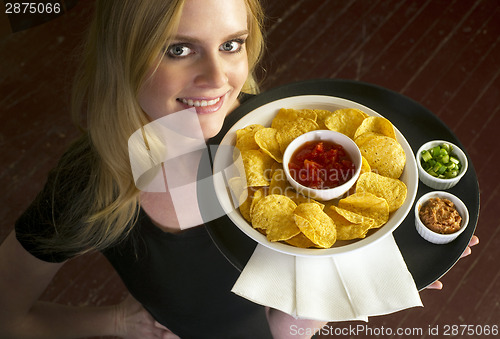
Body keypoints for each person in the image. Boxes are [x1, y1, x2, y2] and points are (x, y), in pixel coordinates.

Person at [0, 0, 479, 338]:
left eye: (231, 44)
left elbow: (282, 326)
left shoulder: (274, 139)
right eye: (178, 49)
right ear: (119, 56)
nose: (217, 80)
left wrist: (347, 287)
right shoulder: (85, 190)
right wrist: (112, 323)